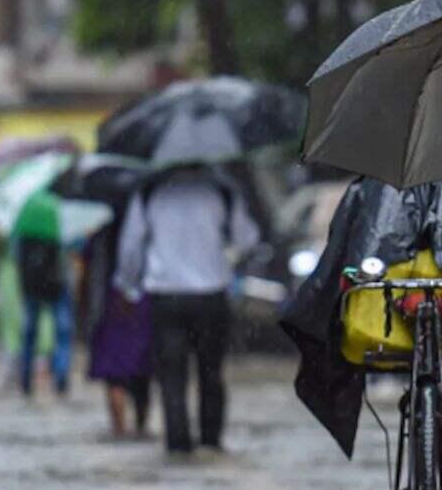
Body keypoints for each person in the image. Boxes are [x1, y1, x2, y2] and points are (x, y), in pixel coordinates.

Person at [115, 165, 260, 456]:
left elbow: (130, 246)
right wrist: (222, 253)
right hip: (211, 294)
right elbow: (247, 239)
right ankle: (210, 440)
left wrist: (128, 286)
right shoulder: (221, 191)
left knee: (171, 373)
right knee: (211, 371)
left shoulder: (150, 193)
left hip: (166, 296)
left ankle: (178, 443)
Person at [82, 190, 152, 441]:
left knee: (115, 373)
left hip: (111, 302)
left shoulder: (100, 229)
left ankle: (119, 430)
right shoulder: (148, 218)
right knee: (141, 369)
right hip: (143, 299)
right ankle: (140, 427)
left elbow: (88, 269)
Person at [14, 191, 74, 398]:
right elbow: (73, 246)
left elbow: (16, 257)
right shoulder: (58, 215)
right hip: (57, 285)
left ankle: (25, 379)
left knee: (30, 333)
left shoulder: (23, 221)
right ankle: (61, 378)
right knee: (62, 332)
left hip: (31, 286)